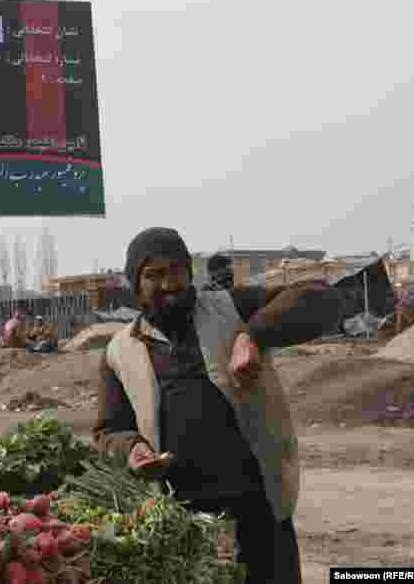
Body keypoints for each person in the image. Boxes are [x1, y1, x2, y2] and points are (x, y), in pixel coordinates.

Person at [93, 227, 344, 584]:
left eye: (177, 270)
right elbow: (109, 430)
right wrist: (131, 448)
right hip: (183, 524)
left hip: (259, 511)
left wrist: (253, 335)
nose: (169, 284)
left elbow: (322, 297)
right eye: (154, 275)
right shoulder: (118, 352)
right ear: (135, 283)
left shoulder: (231, 307)